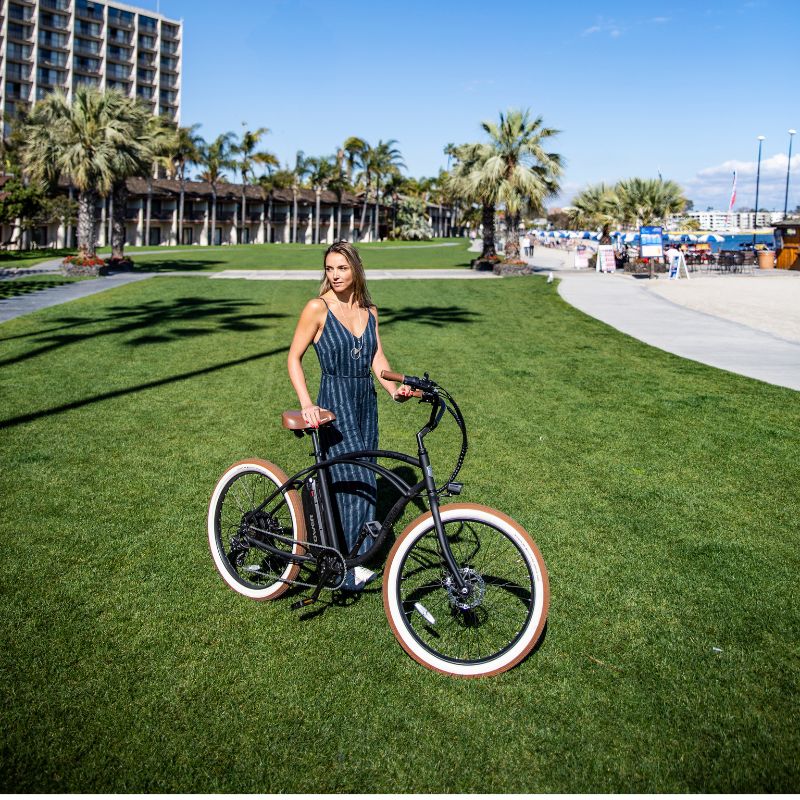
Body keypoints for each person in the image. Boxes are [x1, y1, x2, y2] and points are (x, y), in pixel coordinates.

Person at [288, 242, 413, 590]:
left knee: (365, 476)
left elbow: (377, 359)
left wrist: (394, 389)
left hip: (365, 402)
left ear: (355, 269)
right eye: (329, 269)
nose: (335, 275)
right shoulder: (317, 308)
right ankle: (344, 563)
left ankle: (349, 556)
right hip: (334, 400)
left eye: (342, 268)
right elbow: (293, 358)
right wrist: (307, 403)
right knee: (354, 477)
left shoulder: (370, 312)